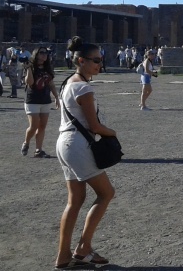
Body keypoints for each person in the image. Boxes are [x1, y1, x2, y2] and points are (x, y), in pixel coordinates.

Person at [54, 36, 116, 269]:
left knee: (75, 201)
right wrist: (112, 132)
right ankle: (83, 247)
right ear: (81, 60)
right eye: (96, 60)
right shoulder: (82, 87)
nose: (100, 64)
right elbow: (95, 126)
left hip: (65, 143)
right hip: (78, 144)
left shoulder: (68, 82)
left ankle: (63, 255)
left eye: (101, 60)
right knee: (106, 193)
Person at [21, 46, 60, 158]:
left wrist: (56, 97)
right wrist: (28, 69)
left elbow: (51, 84)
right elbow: (30, 83)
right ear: (36, 54)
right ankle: (26, 142)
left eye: (46, 53)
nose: (44, 55)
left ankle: (39, 150)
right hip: (32, 100)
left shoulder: (47, 68)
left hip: (45, 100)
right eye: (42, 53)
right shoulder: (31, 67)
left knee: (42, 126)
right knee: (33, 126)